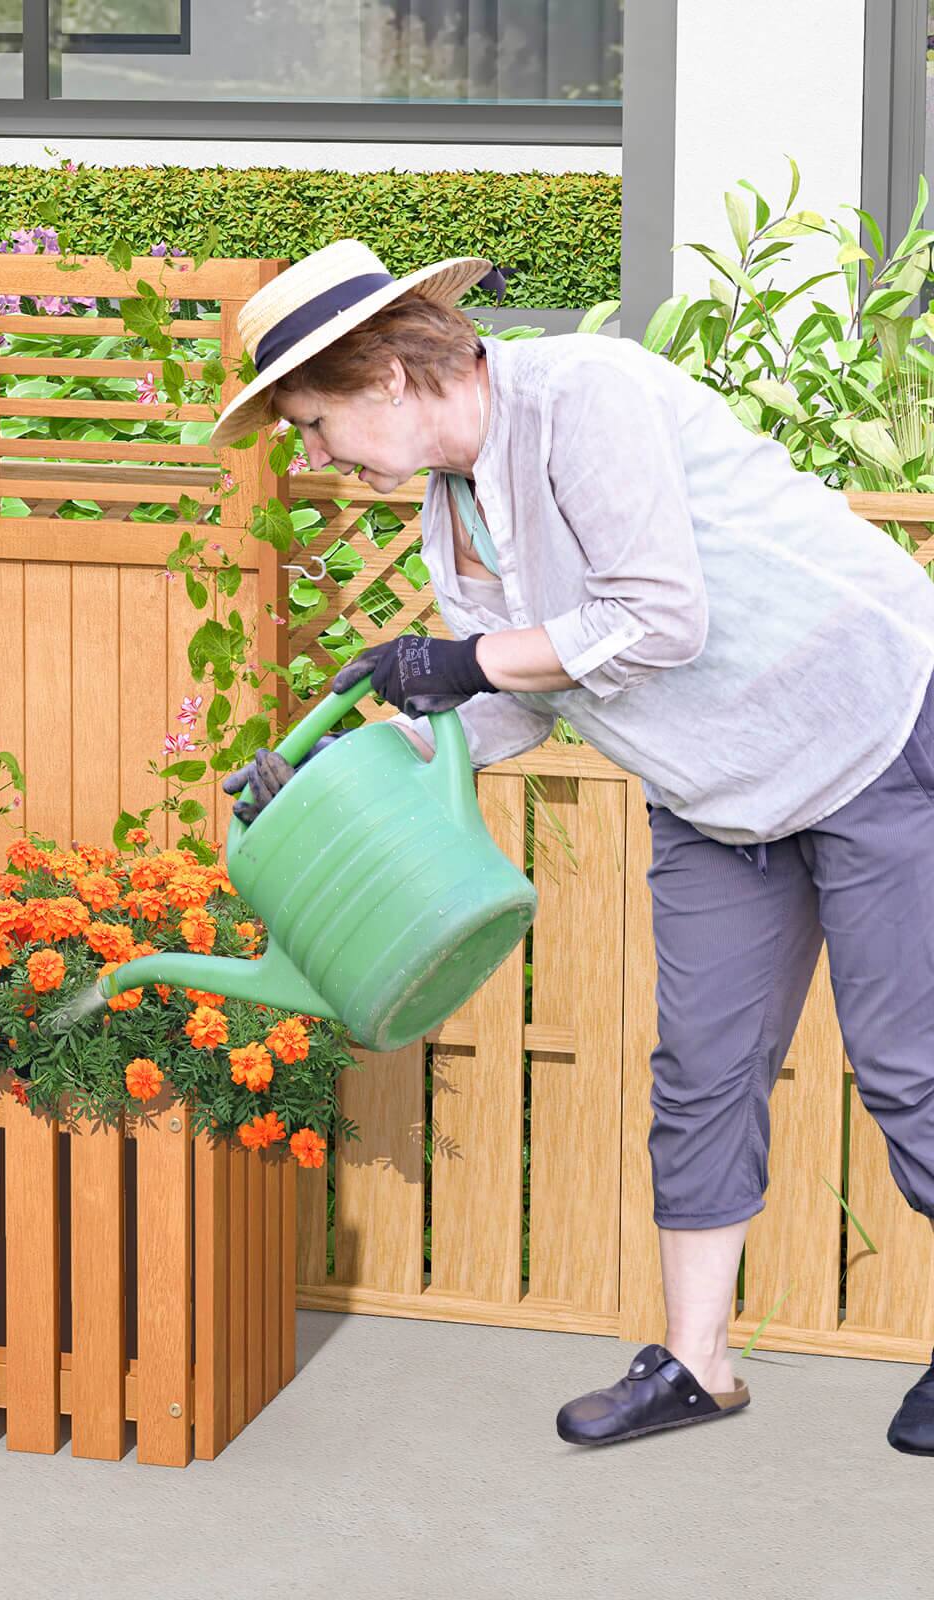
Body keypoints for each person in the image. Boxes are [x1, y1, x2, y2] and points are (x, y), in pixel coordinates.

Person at [211, 237, 934, 1453]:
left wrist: (453, 663)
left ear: (383, 375)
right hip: (717, 793)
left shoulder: (584, 397)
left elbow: (656, 615)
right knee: (700, 1072)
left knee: (911, 1064)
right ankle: (697, 1365)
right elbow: (509, 699)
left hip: (866, 730)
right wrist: (334, 773)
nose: (314, 454)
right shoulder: (451, 517)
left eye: (314, 421)